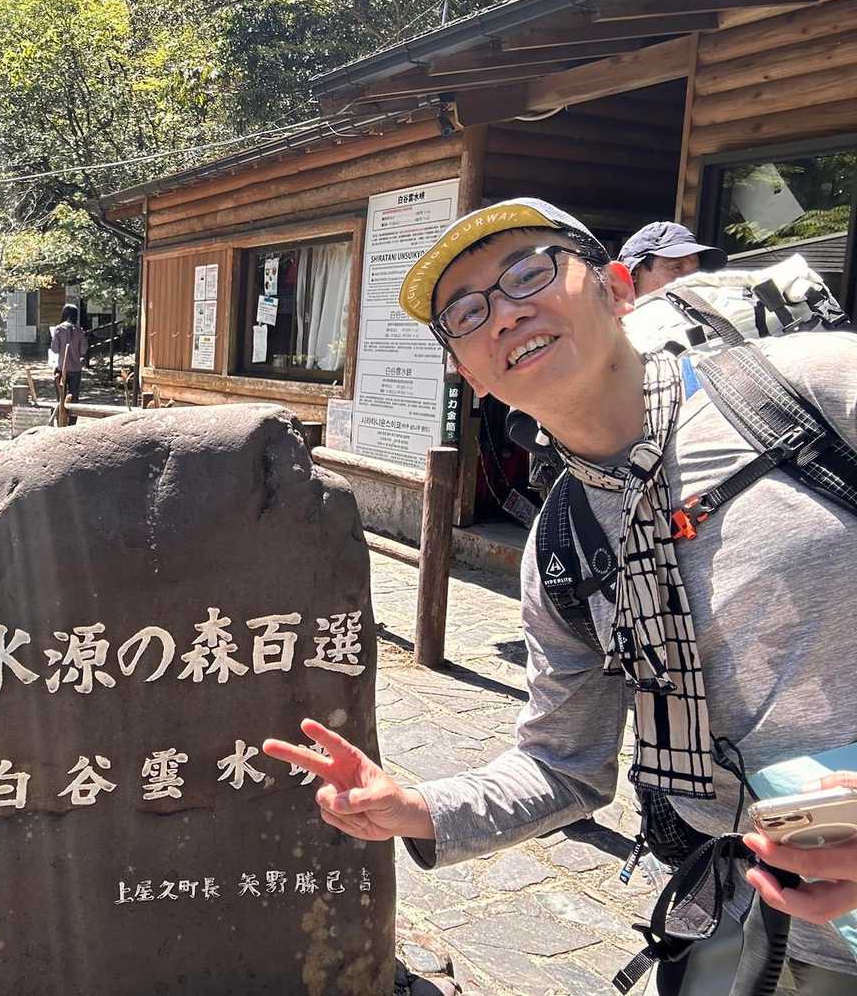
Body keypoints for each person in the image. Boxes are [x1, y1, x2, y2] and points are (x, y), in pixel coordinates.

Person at [267, 198, 857, 993]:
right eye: (467, 314)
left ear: (618, 288)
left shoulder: (813, 388)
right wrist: (414, 806)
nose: (505, 313)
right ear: (471, 376)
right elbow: (564, 765)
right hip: (732, 922)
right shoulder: (563, 543)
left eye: (528, 272)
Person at [619, 220, 727, 297]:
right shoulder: (611, 321)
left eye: (695, 272)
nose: (691, 281)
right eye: (676, 268)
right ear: (634, 273)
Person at [50, 303, 88, 420]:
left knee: (61, 397)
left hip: (62, 368)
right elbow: (83, 350)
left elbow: (54, 349)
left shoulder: (58, 329)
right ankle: (72, 422)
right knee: (74, 397)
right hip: (76, 369)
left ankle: (60, 419)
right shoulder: (79, 331)